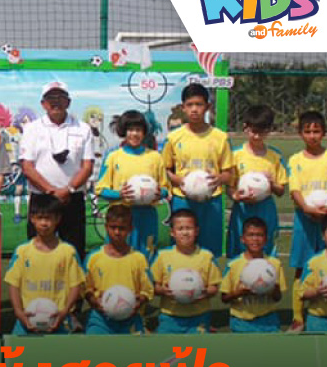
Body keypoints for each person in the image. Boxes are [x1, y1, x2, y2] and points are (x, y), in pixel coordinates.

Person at [18, 81, 96, 259]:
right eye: (51, 98)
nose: (56, 102)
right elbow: (27, 167)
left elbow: (87, 166)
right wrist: (51, 191)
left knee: (74, 253)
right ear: (43, 104)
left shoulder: (83, 128)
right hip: (41, 199)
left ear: (68, 102)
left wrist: (68, 190)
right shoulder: (31, 129)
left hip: (72, 198)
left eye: (60, 97)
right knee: (37, 253)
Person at [286, 111, 327, 333]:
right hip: (305, 219)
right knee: (302, 267)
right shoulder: (295, 160)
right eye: (307, 131)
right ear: (300, 133)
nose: (312, 135)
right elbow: (295, 189)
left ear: (324, 132)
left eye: (316, 131)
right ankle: (297, 317)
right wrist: (306, 208)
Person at [162, 83, 234, 257]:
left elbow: (229, 173)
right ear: (183, 108)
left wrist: (219, 178)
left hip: (212, 201)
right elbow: (164, 170)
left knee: (209, 253)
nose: (194, 109)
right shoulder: (173, 138)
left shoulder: (220, 137)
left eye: (199, 104)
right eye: (190, 105)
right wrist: (179, 180)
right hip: (182, 200)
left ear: (207, 107)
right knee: (181, 251)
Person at [93, 109, 169, 261]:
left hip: (147, 215)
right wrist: (119, 194)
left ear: (144, 132)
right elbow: (100, 189)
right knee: (118, 257)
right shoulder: (113, 157)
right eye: (130, 130)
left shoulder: (155, 157)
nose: (134, 134)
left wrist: (160, 194)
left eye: (138, 130)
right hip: (120, 216)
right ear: (124, 131)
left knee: (146, 256)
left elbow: (165, 188)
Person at [4, 194, 85, 335]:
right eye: (40, 218)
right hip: (27, 319)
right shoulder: (22, 252)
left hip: (59, 320)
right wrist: (18, 312)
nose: (44, 223)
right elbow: (13, 285)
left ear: (57, 219)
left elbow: (75, 286)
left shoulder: (68, 252)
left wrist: (65, 311)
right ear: (32, 219)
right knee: (14, 349)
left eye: (48, 218)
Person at [227, 105, 286, 259]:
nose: (257, 136)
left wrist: (271, 183)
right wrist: (236, 196)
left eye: (262, 132)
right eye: (254, 131)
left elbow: (281, 191)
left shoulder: (275, 156)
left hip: (265, 209)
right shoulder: (235, 155)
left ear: (269, 130)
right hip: (242, 210)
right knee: (240, 254)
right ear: (245, 128)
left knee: (265, 253)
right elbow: (230, 187)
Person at [84, 205, 153, 335]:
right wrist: (94, 301)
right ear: (106, 227)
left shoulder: (138, 258)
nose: (117, 232)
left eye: (122, 228)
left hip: (130, 318)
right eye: (113, 227)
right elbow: (86, 288)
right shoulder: (94, 257)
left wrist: (139, 301)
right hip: (101, 319)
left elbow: (147, 290)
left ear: (130, 229)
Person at [150, 209, 221, 334]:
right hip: (170, 316)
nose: (185, 233)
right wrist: (163, 291)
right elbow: (155, 286)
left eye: (189, 228)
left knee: (198, 347)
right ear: (172, 232)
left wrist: (204, 292)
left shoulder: (206, 256)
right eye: (180, 229)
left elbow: (214, 287)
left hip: (199, 316)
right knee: (168, 346)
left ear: (196, 231)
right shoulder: (162, 256)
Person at [220, 217, 286, 333]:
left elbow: (277, 298)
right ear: (242, 239)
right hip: (241, 321)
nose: (255, 239)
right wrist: (239, 293)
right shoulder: (233, 265)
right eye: (251, 235)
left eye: (259, 235)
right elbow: (224, 298)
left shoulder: (274, 264)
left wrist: (271, 289)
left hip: (268, 320)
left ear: (266, 239)